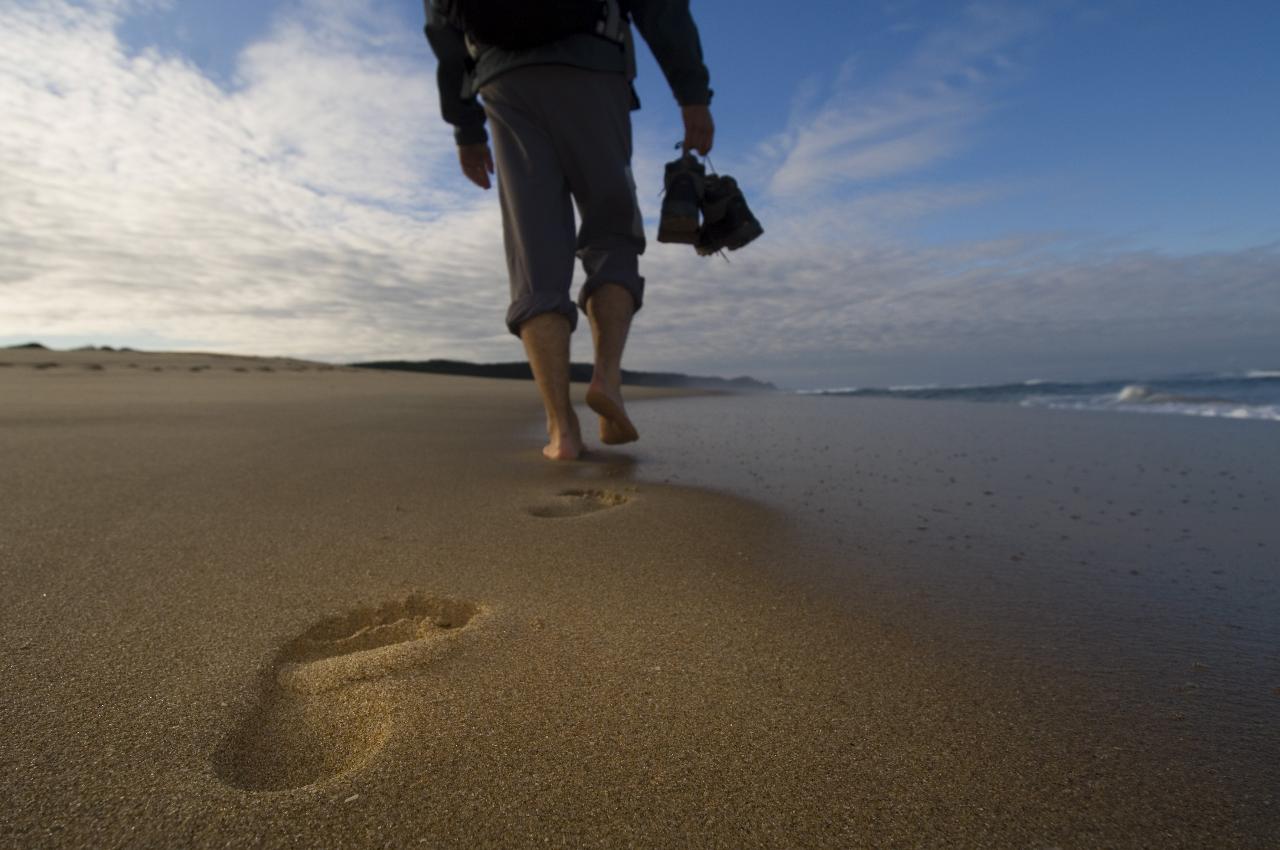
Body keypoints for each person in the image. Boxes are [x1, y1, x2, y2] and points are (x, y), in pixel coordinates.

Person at [424, 0, 715, 460]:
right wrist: (692, 92)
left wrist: (466, 129)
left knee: (534, 252)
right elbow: (661, 7)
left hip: (503, 79)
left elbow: (442, 24)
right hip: (593, 63)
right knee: (611, 232)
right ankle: (607, 381)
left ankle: (562, 430)